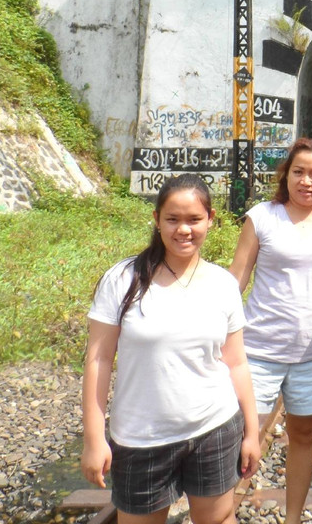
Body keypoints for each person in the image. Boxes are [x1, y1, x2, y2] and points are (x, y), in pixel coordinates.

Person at [81, 173, 260, 524]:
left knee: (220, 518)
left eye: (194, 219)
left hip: (214, 427)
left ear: (210, 220)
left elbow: (236, 363)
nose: (184, 230)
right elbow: (98, 360)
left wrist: (252, 432)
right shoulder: (122, 280)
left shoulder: (222, 284)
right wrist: (93, 437)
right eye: (173, 219)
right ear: (157, 220)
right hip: (141, 437)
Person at [228, 138, 312, 524]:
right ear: (287, 175)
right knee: (239, 437)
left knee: (302, 437)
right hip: (259, 350)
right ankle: (220, 513)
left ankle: (294, 517)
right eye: (299, 172)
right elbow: (238, 276)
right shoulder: (262, 217)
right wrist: (214, 334)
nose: (306, 181)